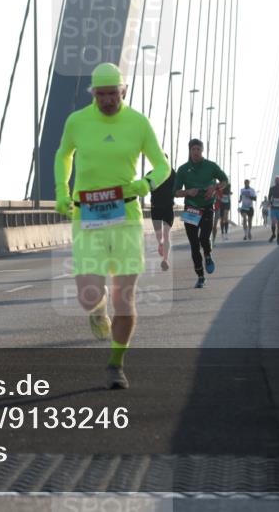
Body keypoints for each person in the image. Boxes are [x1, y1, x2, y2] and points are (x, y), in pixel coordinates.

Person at [55, 62, 170, 390]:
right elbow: (63, 155)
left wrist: (146, 182)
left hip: (126, 218)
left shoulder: (138, 123)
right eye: (101, 94)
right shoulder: (77, 121)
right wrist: (62, 192)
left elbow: (163, 165)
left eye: (113, 94)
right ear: (93, 93)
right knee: (88, 294)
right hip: (86, 218)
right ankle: (96, 309)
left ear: (124, 91)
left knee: (125, 297)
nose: (107, 100)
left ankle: (116, 363)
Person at [174, 139, 228, 289]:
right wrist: (187, 192)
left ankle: (208, 255)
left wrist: (215, 187)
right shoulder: (183, 169)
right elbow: (176, 192)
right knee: (194, 244)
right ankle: (200, 276)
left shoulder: (211, 166)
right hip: (191, 208)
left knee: (204, 238)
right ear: (189, 151)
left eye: (198, 149)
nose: (196, 152)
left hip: (207, 207)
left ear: (202, 151)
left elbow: (225, 180)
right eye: (193, 149)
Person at [150, 154, 176, 271]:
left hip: (168, 207)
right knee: (159, 236)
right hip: (155, 207)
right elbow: (148, 187)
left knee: (166, 233)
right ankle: (160, 244)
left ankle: (165, 260)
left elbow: (177, 187)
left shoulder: (173, 173)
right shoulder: (151, 174)